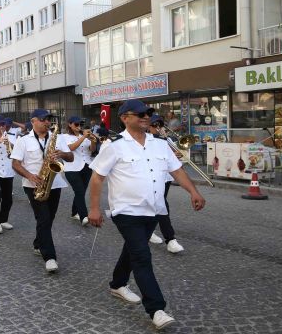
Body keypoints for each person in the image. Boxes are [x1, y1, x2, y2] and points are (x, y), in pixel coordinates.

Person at [88, 99, 206, 330]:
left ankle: (118, 283)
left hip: (154, 209)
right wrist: (93, 208)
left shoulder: (160, 144)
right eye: (140, 113)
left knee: (133, 248)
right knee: (142, 256)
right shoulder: (114, 145)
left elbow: (176, 170)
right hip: (126, 210)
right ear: (124, 118)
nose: (146, 116)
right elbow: (97, 177)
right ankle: (156, 308)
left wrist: (193, 191)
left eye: (148, 113)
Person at [11, 109, 73, 273]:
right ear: (33, 121)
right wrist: (30, 176)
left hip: (55, 183)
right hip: (33, 185)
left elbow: (71, 157)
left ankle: (39, 243)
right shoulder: (23, 141)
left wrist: (62, 154)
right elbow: (16, 164)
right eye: (44, 119)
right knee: (44, 218)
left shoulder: (56, 137)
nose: (47, 122)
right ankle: (50, 257)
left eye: (49, 120)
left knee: (49, 218)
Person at [147, 115, 184, 253]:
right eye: (154, 125)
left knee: (158, 205)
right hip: (152, 178)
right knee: (162, 205)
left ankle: (149, 231)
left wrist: (177, 155)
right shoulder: (144, 142)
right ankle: (170, 240)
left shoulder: (166, 140)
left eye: (160, 125)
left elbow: (174, 161)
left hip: (166, 178)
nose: (158, 127)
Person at [63, 116, 97, 226]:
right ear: (70, 124)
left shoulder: (86, 136)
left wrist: (93, 141)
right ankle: (84, 216)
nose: (79, 127)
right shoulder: (64, 136)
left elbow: (91, 150)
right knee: (79, 191)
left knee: (80, 192)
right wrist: (83, 137)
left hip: (86, 167)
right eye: (76, 124)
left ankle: (74, 212)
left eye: (80, 125)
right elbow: (71, 148)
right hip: (72, 168)